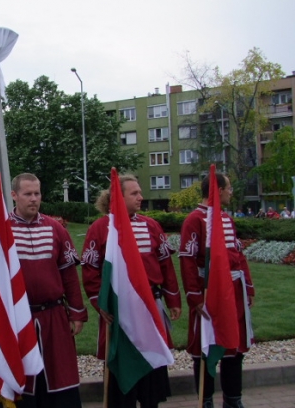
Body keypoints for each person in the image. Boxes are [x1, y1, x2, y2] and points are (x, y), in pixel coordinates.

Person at [0, 173, 88, 408]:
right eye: (27, 194)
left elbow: (68, 274)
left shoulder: (56, 229)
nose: (34, 199)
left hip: (53, 317)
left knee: (59, 380)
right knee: (18, 380)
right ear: (14, 195)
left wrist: (76, 312)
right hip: (14, 320)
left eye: (37, 193)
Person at [81, 175, 182, 408]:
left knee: (152, 368)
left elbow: (165, 265)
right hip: (119, 311)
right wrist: (100, 303)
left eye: (140, 192)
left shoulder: (151, 226)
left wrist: (173, 299)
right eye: (134, 193)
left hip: (150, 306)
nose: (141, 197)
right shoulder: (100, 228)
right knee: (121, 373)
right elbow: (90, 270)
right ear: (118, 197)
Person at [179, 173, 255, 408]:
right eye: (229, 188)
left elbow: (238, 255)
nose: (231, 192)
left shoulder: (227, 219)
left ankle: (233, 399)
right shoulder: (195, 220)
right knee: (206, 348)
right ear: (218, 190)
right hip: (208, 293)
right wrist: (194, 295)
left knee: (234, 345)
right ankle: (206, 400)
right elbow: (187, 259)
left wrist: (248, 287)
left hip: (233, 292)